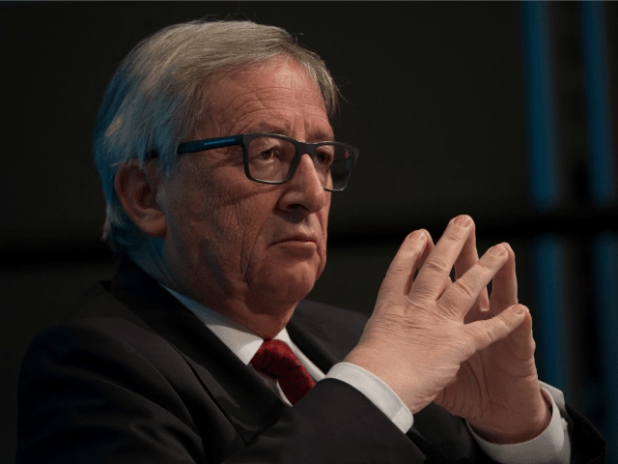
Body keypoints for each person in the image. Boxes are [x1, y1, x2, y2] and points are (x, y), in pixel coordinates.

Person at [16, 19, 605, 464]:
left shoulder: (353, 339)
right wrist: (375, 387)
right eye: (266, 154)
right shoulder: (90, 368)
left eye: (321, 157)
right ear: (145, 195)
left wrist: (519, 430)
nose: (311, 194)